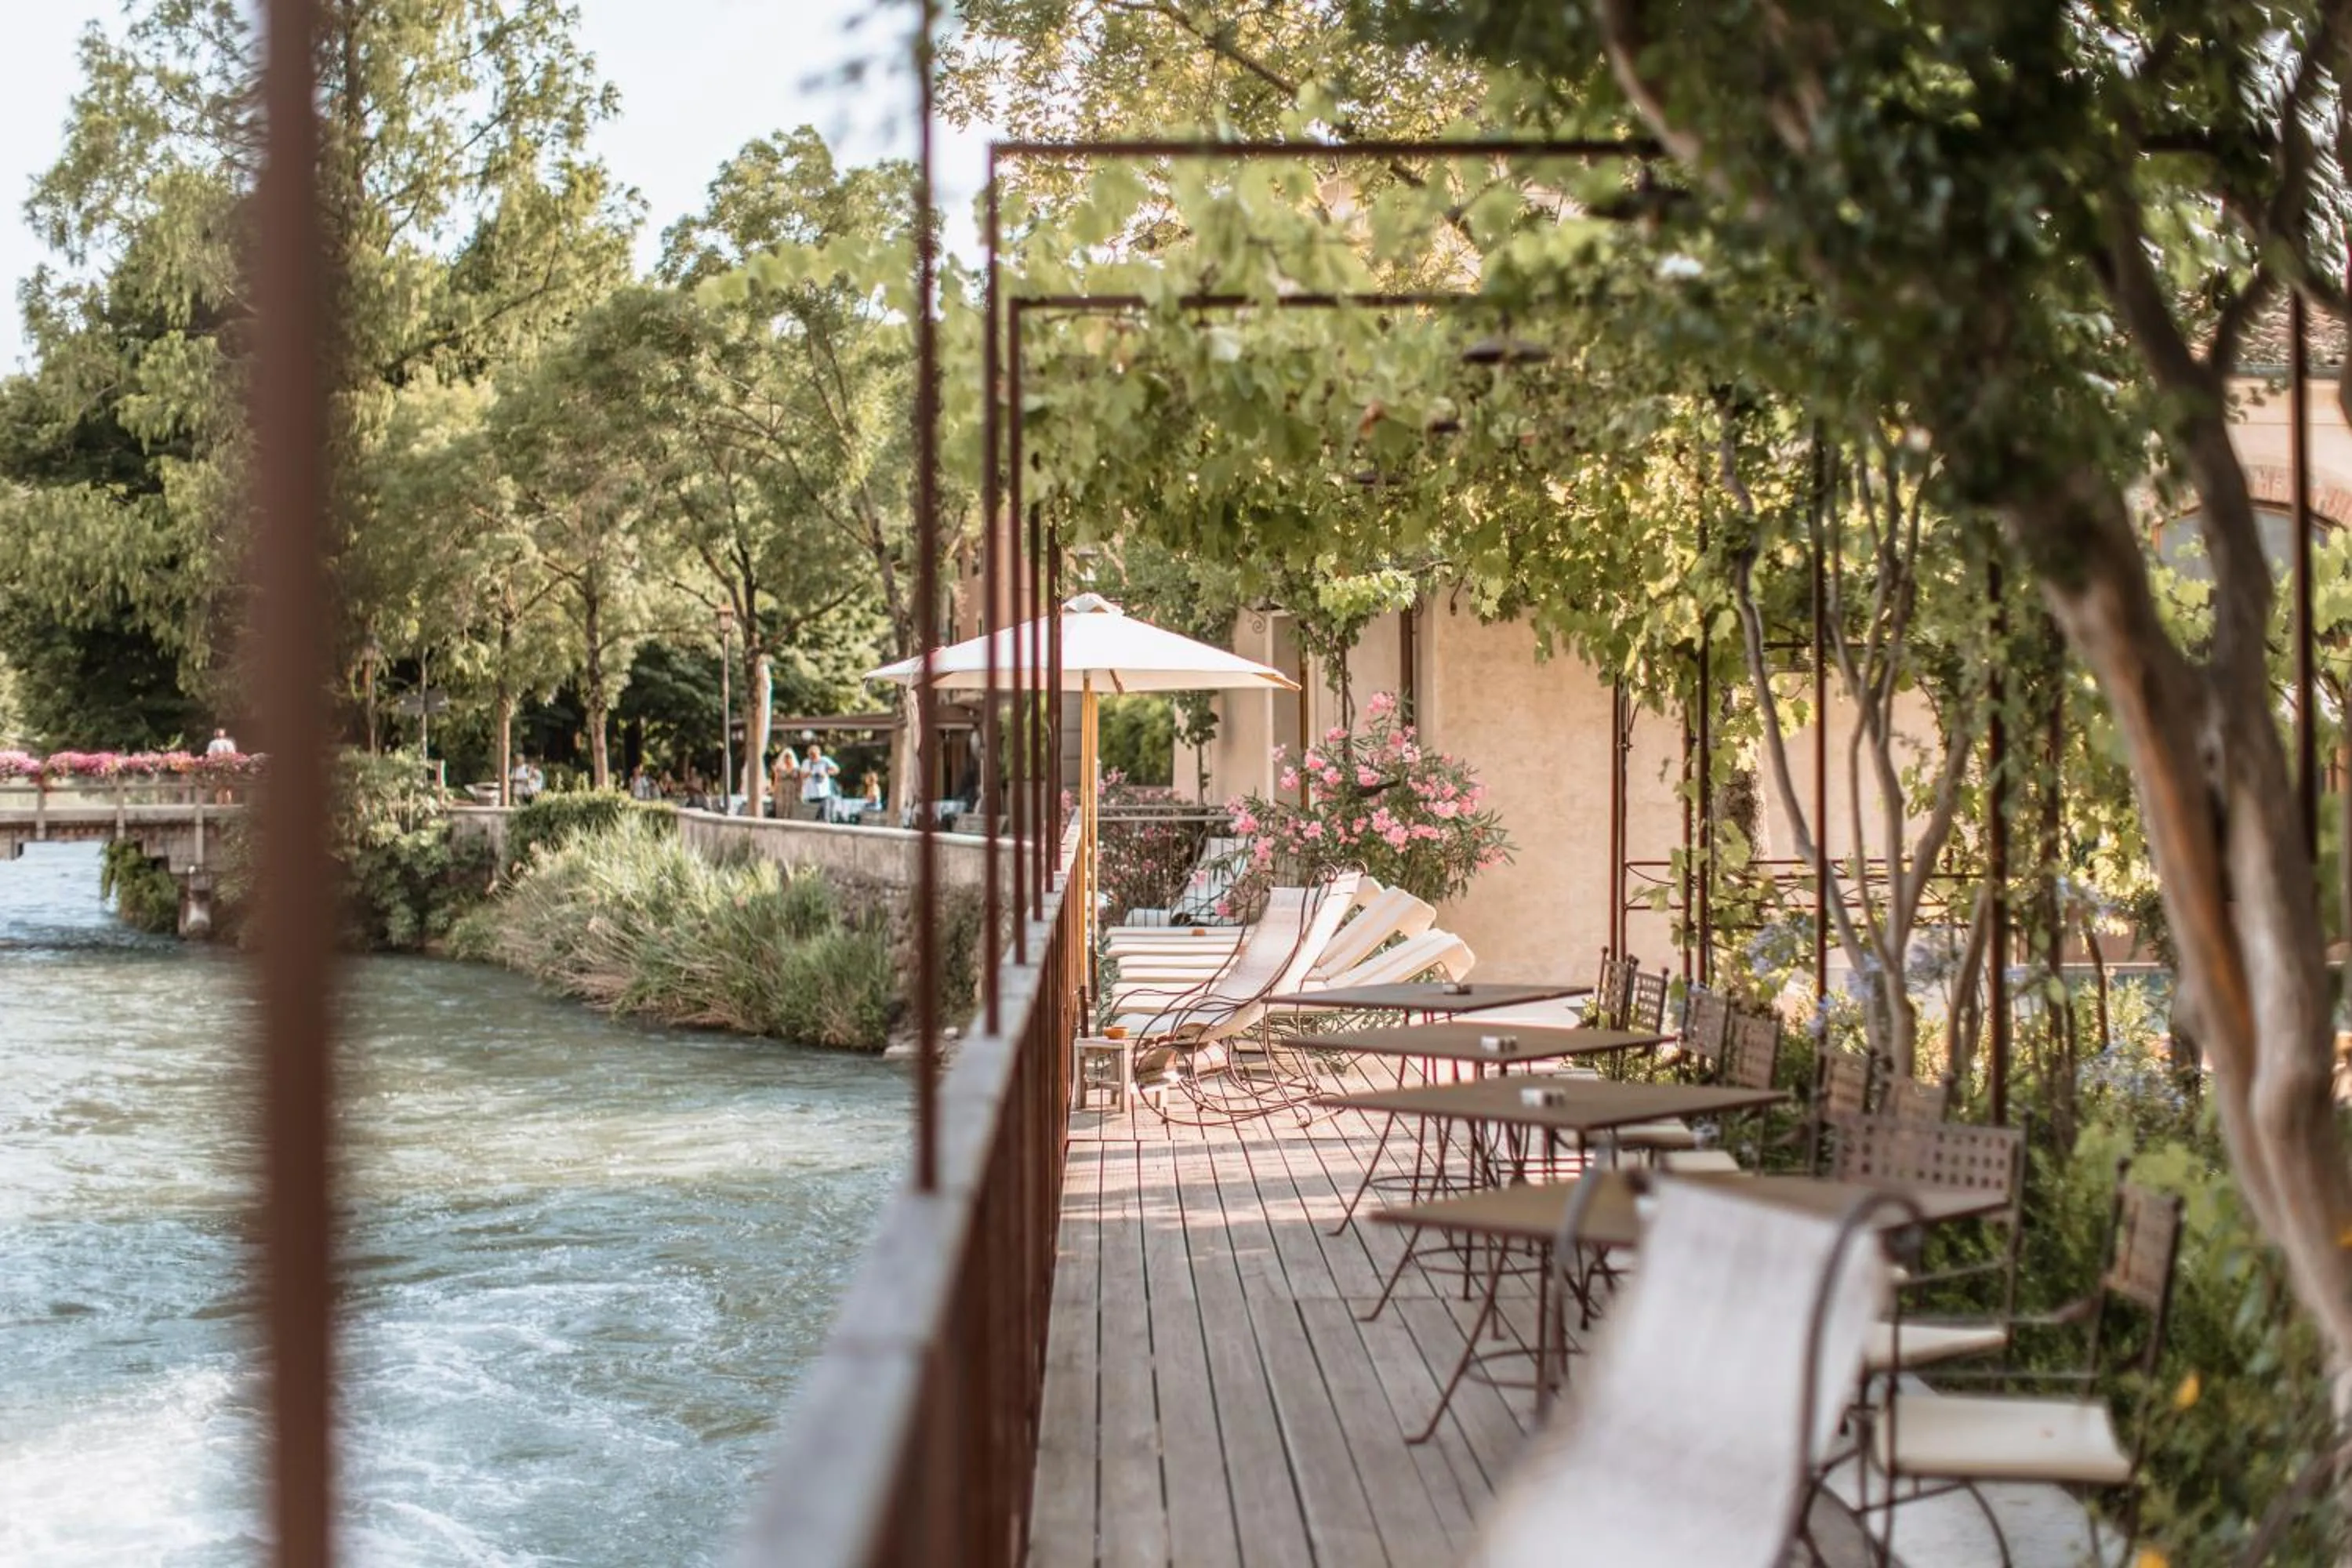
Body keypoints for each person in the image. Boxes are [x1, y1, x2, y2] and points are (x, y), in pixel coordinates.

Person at [799, 742, 840, 818]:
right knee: (813, 817)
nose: (813, 757)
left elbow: (837, 770)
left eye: (815, 754)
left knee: (825, 817)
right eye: (811, 754)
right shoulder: (806, 762)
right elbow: (802, 776)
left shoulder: (824, 760)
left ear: (819, 753)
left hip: (824, 794)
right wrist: (809, 774)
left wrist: (826, 773)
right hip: (811, 794)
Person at [770, 747, 800, 817]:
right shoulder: (779, 768)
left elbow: (798, 780)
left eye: (789, 757)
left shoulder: (796, 769)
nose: (787, 759)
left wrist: (799, 791)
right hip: (781, 788)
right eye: (786, 757)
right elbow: (776, 779)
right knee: (780, 805)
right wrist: (774, 789)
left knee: (790, 805)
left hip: (791, 788)